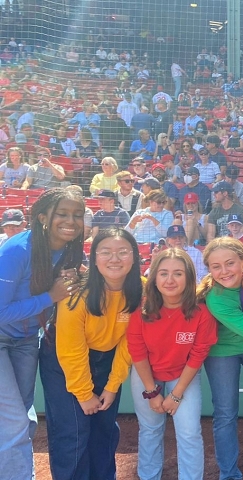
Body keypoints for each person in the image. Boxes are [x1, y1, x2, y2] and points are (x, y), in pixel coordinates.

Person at [40, 227, 143, 479]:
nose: (114, 259)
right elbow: (70, 350)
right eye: (105, 252)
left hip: (107, 359)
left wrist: (111, 386)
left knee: (104, 429)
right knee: (73, 432)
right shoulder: (77, 295)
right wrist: (84, 394)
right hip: (63, 362)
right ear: (94, 258)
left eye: (122, 252)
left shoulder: (142, 290)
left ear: (134, 257)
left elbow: (130, 342)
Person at [0, 189, 85, 477]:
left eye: (77, 215)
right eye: (62, 213)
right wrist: (51, 296)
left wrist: (78, 280)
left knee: (21, 415)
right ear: (43, 217)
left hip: (26, 340)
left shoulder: (70, 250)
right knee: (13, 421)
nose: (71, 221)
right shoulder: (16, 249)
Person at [126, 248, 217, 480]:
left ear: (188, 278)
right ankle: (148, 476)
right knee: (150, 429)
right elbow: (137, 352)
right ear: (154, 277)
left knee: (188, 432)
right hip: (147, 375)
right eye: (163, 273)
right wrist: (152, 392)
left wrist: (175, 395)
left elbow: (198, 354)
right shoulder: (141, 310)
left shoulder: (201, 313)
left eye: (178, 273)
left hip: (182, 374)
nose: (169, 280)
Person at [198, 237, 243, 480]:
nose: (224, 271)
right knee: (226, 414)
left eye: (230, 263)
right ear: (208, 269)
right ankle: (229, 475)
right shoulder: (216, 297)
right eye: (216, 266)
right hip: (222, 352)